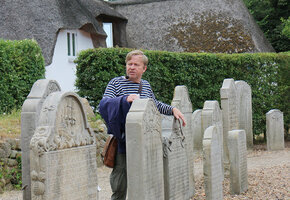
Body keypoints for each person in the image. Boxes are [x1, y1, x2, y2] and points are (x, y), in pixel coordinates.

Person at [99, 50, 186, 200]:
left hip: (145, 140)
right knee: (120, 183)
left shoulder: (145, 85)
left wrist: (172, 109)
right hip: (123, 140)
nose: (131, 67)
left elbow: (154, 104)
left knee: (144, 178)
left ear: (144, 68)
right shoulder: (115, 83)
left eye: (136, 64)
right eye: (129, 64)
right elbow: (104, 104)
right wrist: (125, 99)